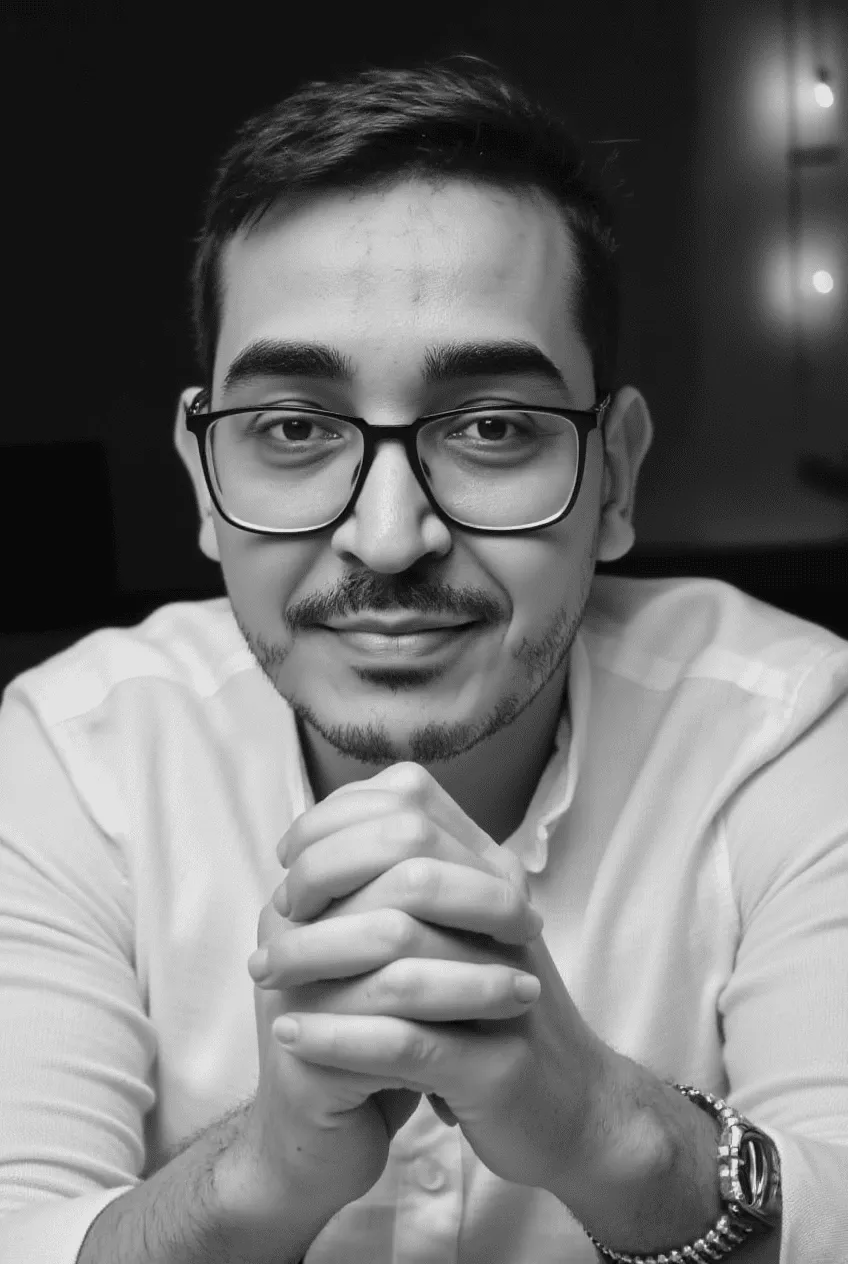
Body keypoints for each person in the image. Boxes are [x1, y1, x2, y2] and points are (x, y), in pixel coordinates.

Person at [0, 54, 846, 1264]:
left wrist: (603, 1128)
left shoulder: (791, 728)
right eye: (292, 427)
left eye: (492, 426)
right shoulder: (70, 758)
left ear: (614, 477)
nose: (390, 537)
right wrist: (260, 1175)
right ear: (203, 481)